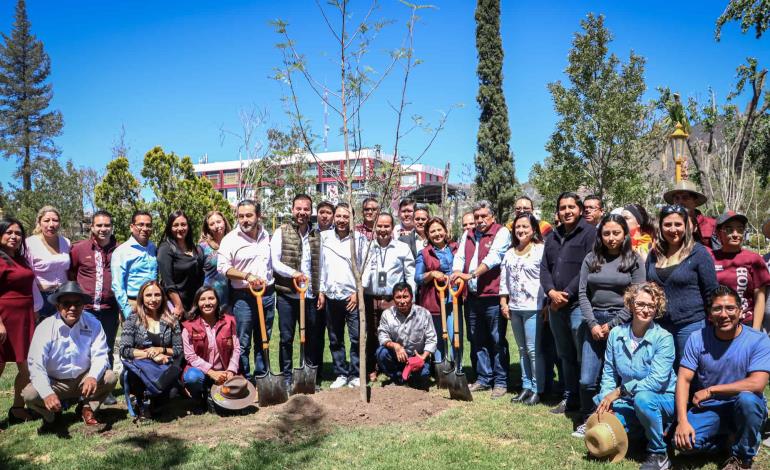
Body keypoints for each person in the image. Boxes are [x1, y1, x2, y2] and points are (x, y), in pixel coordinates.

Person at [674, 286, 770, 470]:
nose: (724, 314)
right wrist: (682, 421)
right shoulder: (697, 338)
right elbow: (684, 380)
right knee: (683, 445)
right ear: (710, 313)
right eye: (717, 309)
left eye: (730, 308)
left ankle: (742, 457)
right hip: (711, 408)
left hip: (743, 405)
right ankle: (732, 441)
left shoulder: (758, 340)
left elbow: (757, 383)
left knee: (747, 399)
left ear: (741, 311)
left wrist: (712, 390)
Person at [574, 214, 645, 437]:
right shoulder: (591, 259)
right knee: (587, 379)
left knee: (618, 375)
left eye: (616, 233)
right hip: (593, 320)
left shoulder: (634, 260)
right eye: (606, 233)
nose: (611, 238)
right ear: (600, 235)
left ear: (625, 234)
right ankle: (589, 417)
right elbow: (582, 293)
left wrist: (614, 324)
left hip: (622, 323)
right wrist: (593, 323)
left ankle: (618, 419)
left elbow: (637, 296)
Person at [593, 283, 676, 470]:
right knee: (603, 413)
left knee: (643, 400)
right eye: (640, 304)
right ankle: (642, 433)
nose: (645, 310)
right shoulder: (616, 334)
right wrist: (608, 401)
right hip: (627, 400)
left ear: (657, 309)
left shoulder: (664, 338)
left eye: (651, 306)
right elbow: (609, 372)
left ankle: (659, 452)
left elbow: (657, 381)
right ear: (630, 304)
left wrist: (620, 391)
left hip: (661, 398)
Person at [23, 281, 117, 432]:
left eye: (77, 303)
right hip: (55, 382)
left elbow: (100, 355)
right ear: (57, 306)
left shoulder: (94, 324)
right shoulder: (45, 327)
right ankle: (52, 416)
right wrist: (47, 393)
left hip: (83, 379)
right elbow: (36, 365)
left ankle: (87, 408)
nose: (72, 308)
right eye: (66, 303)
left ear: (83, 305)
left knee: (110, 377)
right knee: (30, 394)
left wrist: (92, 376)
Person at [540, 191, 596, 414]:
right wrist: (551, 292)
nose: (567, 211)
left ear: (580, 209)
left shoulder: (590, 234)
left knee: (582, 355)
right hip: (555, 306)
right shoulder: (553, 236)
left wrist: (566, 294)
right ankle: (569, 397)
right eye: (562, 208)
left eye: (571, 207)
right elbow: (544, 268)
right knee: (565, 354)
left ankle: (586, 401)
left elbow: (589, 266)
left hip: (577, 305)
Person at [452, 200, 511, 398]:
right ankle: (484, 378)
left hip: (492, 296)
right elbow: (459, 257)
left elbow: (494, 257)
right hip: (472, 297)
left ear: (492, 217)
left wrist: (472, 274)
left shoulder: (500, 232)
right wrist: (457, 272)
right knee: (477, 339)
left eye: (484, 216)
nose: (479, 220)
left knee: (497, 340)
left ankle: (500, 381)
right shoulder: (468, 235)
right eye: (477, 217)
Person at [646, 204, 718, 366]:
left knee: (688, 372)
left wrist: (715, 324)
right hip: (660, 325)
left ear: (686, 226)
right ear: (661, 227)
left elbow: (711, 292)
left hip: (690, 325)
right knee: (663, 372)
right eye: (667, 224)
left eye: (678, 224)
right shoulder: (654, 254)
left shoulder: (698, 253)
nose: (673, 229)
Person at [217, 199, 275, 381]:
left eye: (249, 215)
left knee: (263, 339)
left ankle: (261, 377)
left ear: (258, 216)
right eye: (241, 216)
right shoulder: (230, 240)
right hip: (243, 296)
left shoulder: (267, 236)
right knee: (242, 342)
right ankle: (244, 379)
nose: (245, 220)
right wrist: (247, 276)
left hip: (266, 294)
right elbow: (223, 268)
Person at [271, 194, 324, 390]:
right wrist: (295, 273)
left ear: (311, 211)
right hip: (287, 294)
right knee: (286, 338)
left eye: (306, 209)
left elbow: (322, 265)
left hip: (309, 295)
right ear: (292, 210)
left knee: (309, 337)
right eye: (298, 208)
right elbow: (275, 262)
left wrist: (321, 291)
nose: (302, 212)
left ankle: (308, 376)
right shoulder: (281, 231)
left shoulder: (316, 235)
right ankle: (286, 377)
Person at [68, 210, 119, 405]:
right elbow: (71, 274)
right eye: (99, 225)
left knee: (106, 348)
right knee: (82, 349)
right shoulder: (79, 249)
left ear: (111, 227)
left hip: (109, 308)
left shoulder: (118, 249)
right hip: (85, 309)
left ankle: (105, 390)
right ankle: (81, 389)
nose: (103, 229)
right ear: (92, 227)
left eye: (107, 225)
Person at [363, 213, 416, 382]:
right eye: (379, 226)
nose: (383, 230)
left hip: (393, 299)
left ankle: (390, 366)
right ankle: (372, 367)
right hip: (371, 297)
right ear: (374, 227)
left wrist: (410, 298)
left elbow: (410, 274)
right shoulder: (367, 248)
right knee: (371, 334)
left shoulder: (402, 248)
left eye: (386, 226)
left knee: (394, 334)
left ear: (392, 228)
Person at [499, 212, 545, 406]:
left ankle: (537, 389)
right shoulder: (510, 252)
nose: (521, 230)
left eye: (525, 227)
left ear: (533, 229)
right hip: (515, 307)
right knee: (522, 349)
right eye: (518, 227)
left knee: (534, 350)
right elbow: (504, 280)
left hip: (534, 307)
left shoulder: (540, 250)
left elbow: (546, 277)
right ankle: (526, 386)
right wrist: (503, 302)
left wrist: (547, 305)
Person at [119, 280, 182, 420]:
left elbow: (178, 350)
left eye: (157, 295)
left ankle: (153, 403)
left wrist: (161, 349)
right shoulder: (133, 319)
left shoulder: (172, 320)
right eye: (148, 295)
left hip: (163, 368)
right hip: (139, 369)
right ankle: (140, 401)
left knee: (171, 393)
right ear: (142, 298)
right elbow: (124, 349)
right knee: (131, 379)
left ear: (163, 297)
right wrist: (151, 355)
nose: (153, 299)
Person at [0, 218, 42, 424]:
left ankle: (17, 409)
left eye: (18, 233)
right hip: (4, 319)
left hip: (25, 320)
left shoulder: (21, 259)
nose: (14, 237)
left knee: (28, 368)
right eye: (9, 232)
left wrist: (34, 312)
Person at [319, 203, 365, 389]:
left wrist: (357, 292)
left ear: (353, 218)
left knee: (355, 337)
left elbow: (365, 267)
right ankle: (340, 373)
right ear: (334, 217)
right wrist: (321, 290)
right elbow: (320, 266)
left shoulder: (360, 240)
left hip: (351, 297)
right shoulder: (324, 238)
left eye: (346, 217)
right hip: (331, 296)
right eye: (338, 216)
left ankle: (355, 373)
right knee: (335, 337)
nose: (342, 220)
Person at [181, 286, 241, 414]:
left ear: (217, 301)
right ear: (197, 303)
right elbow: (190, 356)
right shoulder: (189, 326)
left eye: (211, 298)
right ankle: (198, 399)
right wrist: (211, 372)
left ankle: (212, 395)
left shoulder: (229, 322)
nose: (207, 303)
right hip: (201, 373)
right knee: (192, 377)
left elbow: (236, 348)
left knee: (239, 391)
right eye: (202, 299)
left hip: (224, 372)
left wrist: (231, 370)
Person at [710, 211, 770, 330]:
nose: (735, 234)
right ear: (718, 232)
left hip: (746, 323)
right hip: (715, 323)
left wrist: (755, 330)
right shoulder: (709, 258)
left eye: (740, 229)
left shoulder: (754, 259)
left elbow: (760, 297)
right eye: (729, 230)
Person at [415, 217, 460, 364]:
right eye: (432, 231)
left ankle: (456, 366)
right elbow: (418, 277)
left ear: (445, 231)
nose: (437, 234)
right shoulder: (424, 253)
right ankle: (441, 367)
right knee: (439, 336)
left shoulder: (456, 248)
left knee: (455, 335)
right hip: (435, 300)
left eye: (439, 230)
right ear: (428, 234)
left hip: (454, 297)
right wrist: (432, 274)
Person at [376, 282, 437, 387]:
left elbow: (431, 339)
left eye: (405, 297)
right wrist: (396, 346)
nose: (402, 301)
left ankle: (413, 377)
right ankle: (399, 378)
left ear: (412, 297)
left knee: (422, 378)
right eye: (398, 297)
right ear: (393, 299)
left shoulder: (424, 314)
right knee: (381, 353)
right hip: (398, 356)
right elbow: (382, 336)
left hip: (417, 357)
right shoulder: (387, 314)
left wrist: (423, 357)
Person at [157, 210, 205, 319]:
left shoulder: (196, 249)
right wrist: (178, 306)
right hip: (176, 306)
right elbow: (168, 282)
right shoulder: (166, 249)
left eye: (183, 224)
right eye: (175, 225)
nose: (180, 228)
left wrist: (197, 304)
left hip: (195, 305)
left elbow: (201, 277)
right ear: (170, 227)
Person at [26, 206, 71, 320]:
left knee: (62, 333)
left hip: (62, 296)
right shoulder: (29, 244)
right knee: (41, 333)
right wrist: (35, 306)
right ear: (39, 223)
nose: (51, 224)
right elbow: (27, 275)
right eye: (46, 220)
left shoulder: (66, 242)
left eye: (55, 220)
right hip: (41, 298)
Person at [111, 210, 158, 320]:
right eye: (140, 225)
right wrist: (127, 311)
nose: (145, 229)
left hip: (154, 303)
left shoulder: (153, 248)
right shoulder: (121, 251)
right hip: (133, 304)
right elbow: (117, 286)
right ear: (132, 227)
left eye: (148, 225)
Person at [663, 180, 718, 249]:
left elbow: (718, 253)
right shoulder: (667, 226)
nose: (680, 202)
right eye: (677, 198)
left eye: (685, 198)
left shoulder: (712, 224)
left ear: (695, 201)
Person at [199, 210, 232, 309]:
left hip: (231, 297)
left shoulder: (233, 243)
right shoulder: (203, 247)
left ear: (224, 222)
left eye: (219, 222)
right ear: (208, 228)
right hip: (210, 298)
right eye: (212, 224)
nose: (217, 226)